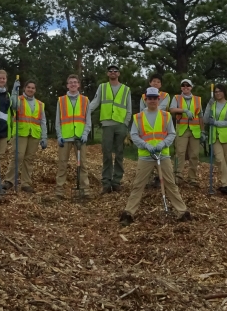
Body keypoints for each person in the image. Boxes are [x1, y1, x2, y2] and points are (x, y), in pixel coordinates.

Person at [120, 87, 190, 225]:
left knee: (170, 183)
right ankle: (128, 213)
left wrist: (163, 144)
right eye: (149, 98)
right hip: (145, 156)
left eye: (154, 98)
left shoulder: (166, 116)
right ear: (145, 100)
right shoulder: (138, 117)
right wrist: (146, 145)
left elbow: (172, 134)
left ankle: (182, 212)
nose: (152, 100)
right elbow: (134, 135)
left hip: (162, 155)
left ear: (159, 99)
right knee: (138, 185)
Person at [86, 64, 131, 194]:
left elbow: (128, 108)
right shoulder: (102, 87)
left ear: (119, 74)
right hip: (107, 125)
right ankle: (106, 183)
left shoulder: (126, 89)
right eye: (110, 71)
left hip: (120, 125)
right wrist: (84, 112)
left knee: (119, 154)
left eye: (115, 71)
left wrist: (125, 123)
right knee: (106, 154)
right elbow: (95, 102)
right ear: (107, 74)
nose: (112, 72)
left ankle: (116, 182)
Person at [6, 80, 47, 193]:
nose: (30, 89)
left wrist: (44, 137)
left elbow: (43, 121)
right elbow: (13, 105)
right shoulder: (19, 99)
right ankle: (9, 181)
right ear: (24, 88)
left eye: (33, 88)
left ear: (35, 90)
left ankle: (26, 183)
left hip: (34, 134)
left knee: (29, 159)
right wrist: (14, 90)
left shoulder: (40, 104)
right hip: (21, 132)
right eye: (28, 87)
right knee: (17, 157)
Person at [56, 74, 91, 200]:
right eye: (70, 82)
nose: (73, 84)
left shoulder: (85, 100)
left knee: (83, 165)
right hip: (65, 138)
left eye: (75, 82)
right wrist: (59, 136)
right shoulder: (61, 100)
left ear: (79, 85)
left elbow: (88, 120)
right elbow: (58, 121)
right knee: (62, 165)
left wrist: (85, 133)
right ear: (67, 85)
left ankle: (85, 190)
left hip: (80, 138)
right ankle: (59, 191)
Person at [203, 85, 227, 195]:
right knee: (220, 160)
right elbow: (205, 119)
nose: (217, 93)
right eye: (216, 91)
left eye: (220, 91)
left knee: (226, 162)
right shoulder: (212, 104)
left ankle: (225, 184)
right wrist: (209, 104)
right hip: (214, 136)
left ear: (224, 92)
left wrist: (217, 123)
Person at [169, 79, 202, 186]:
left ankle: (192, 178)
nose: (185, 87)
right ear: (181, 87)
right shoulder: (177, 98)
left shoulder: (197, 99)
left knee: (194, 155)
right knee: (180, 153)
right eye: (183, 85)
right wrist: (184, 111)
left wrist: (203, 131)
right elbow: (172, 109)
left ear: (191, 87)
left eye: (188, 85)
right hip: (182, 130)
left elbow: (200, 116)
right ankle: (177, 176)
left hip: (195, 131)